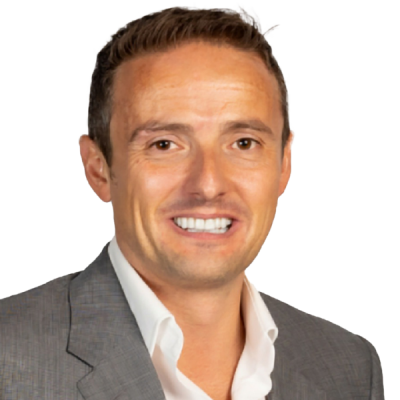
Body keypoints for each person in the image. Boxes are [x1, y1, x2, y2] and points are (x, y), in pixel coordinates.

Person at [0, 5, 384, 400]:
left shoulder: (350, 368)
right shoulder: (6, 361)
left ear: (284, 163)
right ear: (98, 168)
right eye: (164, 144)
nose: (208, 184)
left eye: (243, 143)